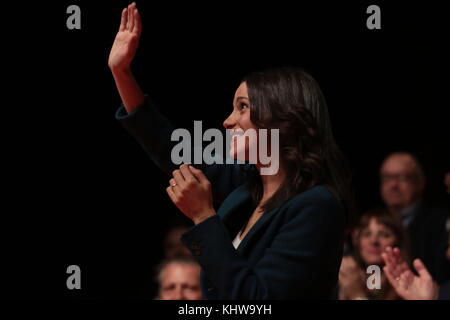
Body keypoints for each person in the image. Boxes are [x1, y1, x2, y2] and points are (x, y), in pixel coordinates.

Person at [109, 3, 354, 299]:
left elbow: (257, 301)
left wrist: (202, 215)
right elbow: (169, 147)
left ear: (282, 119)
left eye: (242, 107)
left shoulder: (316, 206)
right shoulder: (246, 186)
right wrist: (121, 72)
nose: (227, 122)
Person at [379, 151, 450, 283]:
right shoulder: (371, 224)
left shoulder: (441, 223)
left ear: (420, 182)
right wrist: (371, 292)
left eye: (402, 178)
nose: (393, 185)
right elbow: (371, 268)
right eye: (387, 178)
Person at [339, 208, 407, 300]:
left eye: (384, 234)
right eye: (367, 234)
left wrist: (357, 295)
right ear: (357, 240)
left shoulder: (405, 289)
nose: (374, 240)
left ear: (398, 242)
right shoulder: (347, 278)